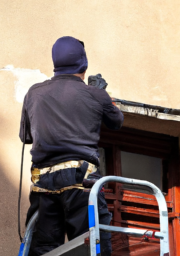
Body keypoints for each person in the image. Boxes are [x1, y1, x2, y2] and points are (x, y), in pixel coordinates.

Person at [19, 36, 124, 256]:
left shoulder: (34, 93)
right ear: (83, 63)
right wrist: (101, 94)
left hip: (44, 185)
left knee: (44, 250)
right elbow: (116, 121)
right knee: (92, 247)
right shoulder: (95, 94)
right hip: (81, 181)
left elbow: (26, 137)